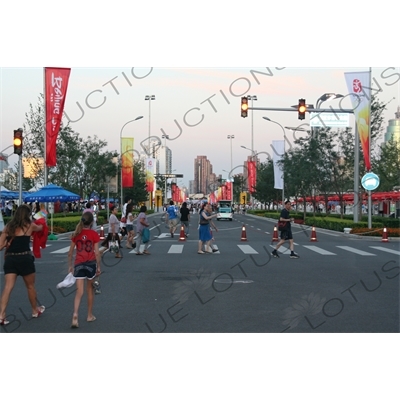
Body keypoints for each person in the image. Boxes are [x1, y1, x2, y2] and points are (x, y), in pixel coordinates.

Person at [0, 205, 45, 325]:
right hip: (25, 258)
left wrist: (6, 244)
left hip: (10, 258)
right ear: (27, 215)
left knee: (8, 287)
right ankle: (35, 310)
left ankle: (1, 315)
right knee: (30, 286)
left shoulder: (8, 227)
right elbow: (41, 228)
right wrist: (41, 216)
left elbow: (0, 245)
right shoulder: (30, 226)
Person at [67, 211, 101, 328]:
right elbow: (97, 253)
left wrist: (70, 266)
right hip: (90, 263)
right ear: (92, 222)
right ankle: (89, 315)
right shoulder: (93, 234)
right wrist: (98, 266)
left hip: (78, 264)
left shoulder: (76, 234)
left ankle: (75, 314)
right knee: (89, 290)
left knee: (79, 292)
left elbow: (70, 252)